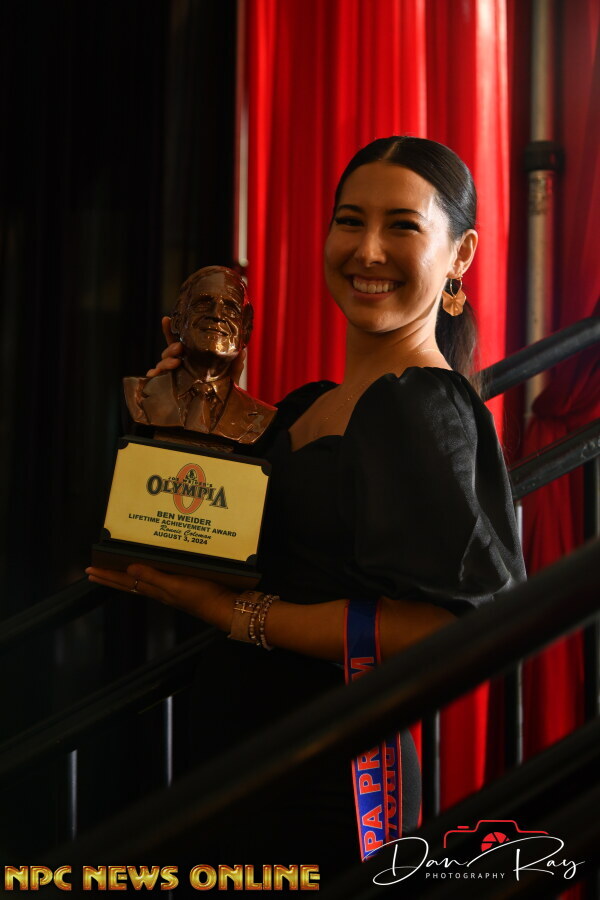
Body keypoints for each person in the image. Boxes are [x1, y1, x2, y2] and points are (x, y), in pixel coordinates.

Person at [86, 136, 526, 882]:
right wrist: (184, 414)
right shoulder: (306, 406)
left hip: (327, 771)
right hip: (243, 754)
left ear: (461, 254)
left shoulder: (422, 405)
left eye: (402, 226)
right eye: (350, 221)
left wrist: (240, 616)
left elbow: (461, 624)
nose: (368, 250)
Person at [123, 265, 276, 445]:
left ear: (246, 331)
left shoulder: (260, 418)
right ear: (177, 320)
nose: (216, 315)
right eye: (203, 304)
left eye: (231, 309)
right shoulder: (136, 395)